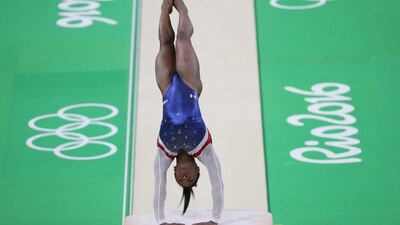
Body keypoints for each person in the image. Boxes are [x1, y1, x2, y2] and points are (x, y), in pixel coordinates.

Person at [153, 0, 224, 225]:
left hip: (166, 87)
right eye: (190, 179)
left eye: (180, 179)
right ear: (196, 168)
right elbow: (217, 183)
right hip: (190, 83)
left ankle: (166, 5)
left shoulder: (164, 153)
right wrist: (214, 219)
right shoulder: (204, 148)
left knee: (165, 41)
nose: (185, 177)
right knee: (182, 39)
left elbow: (159, 187)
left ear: (174, 172)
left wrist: (161, 221)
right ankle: (182, 7)